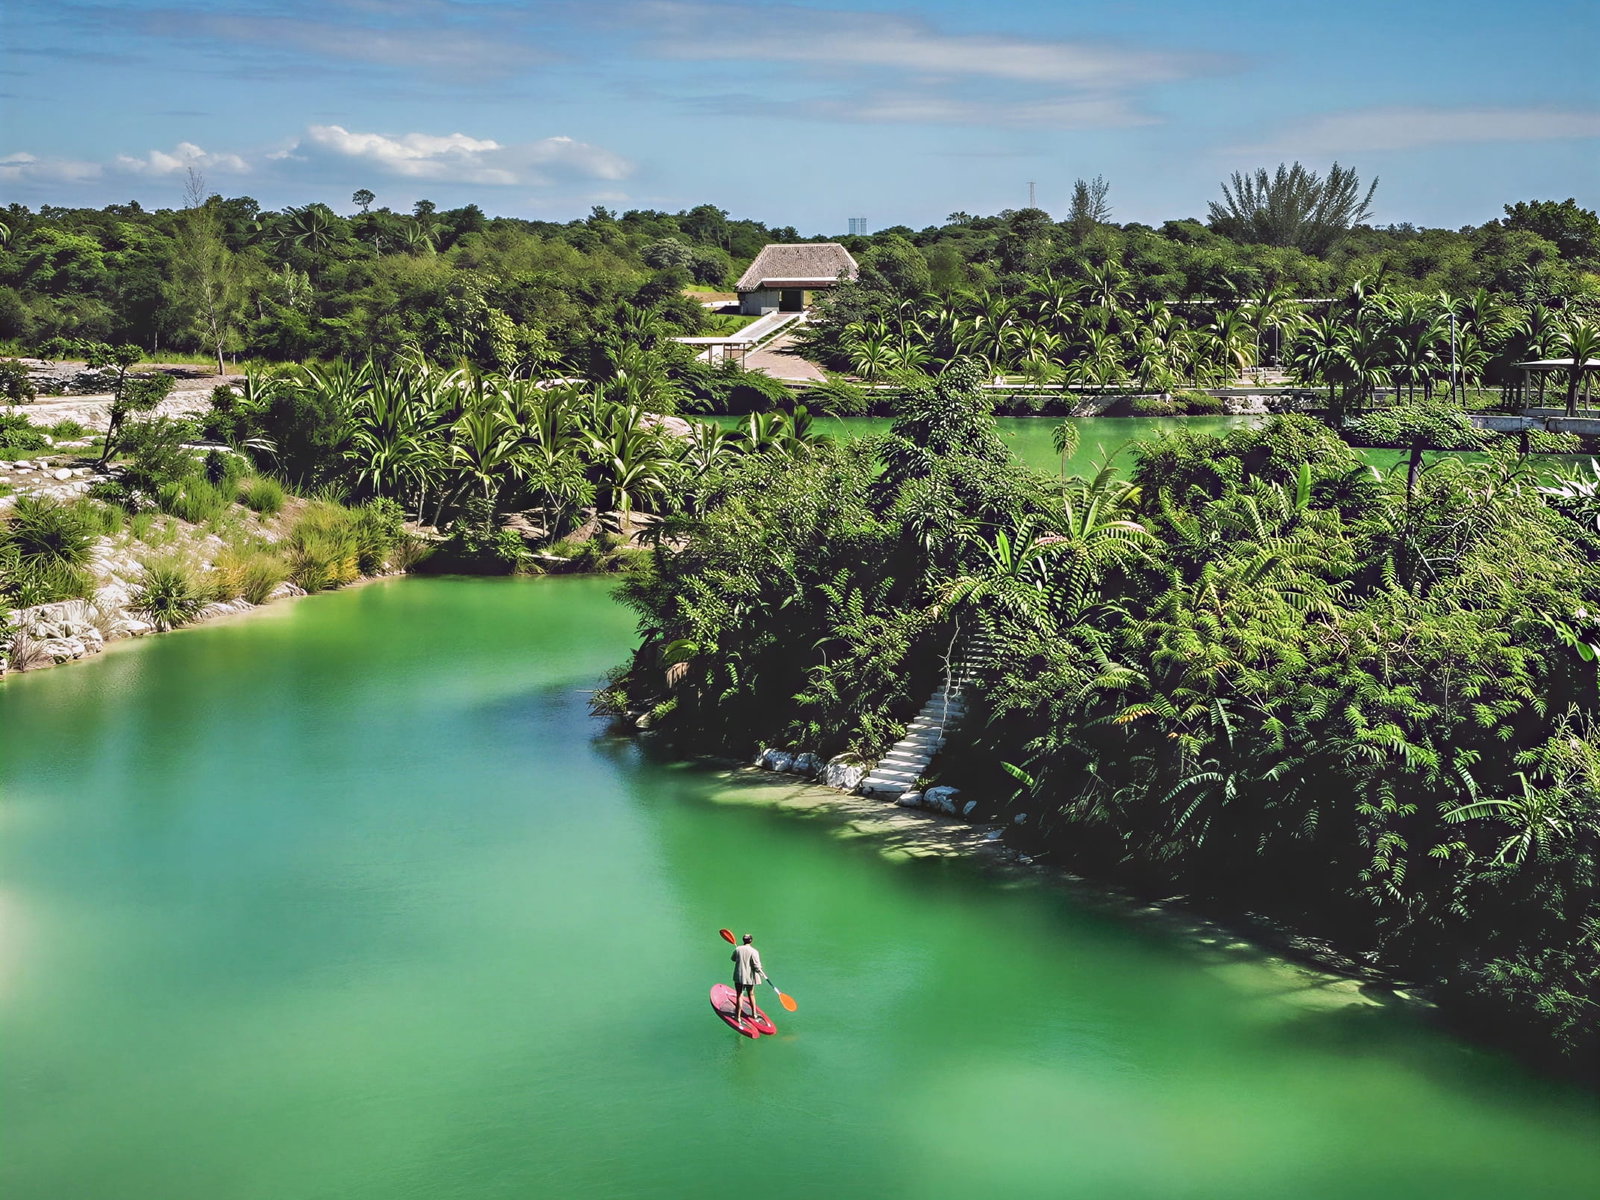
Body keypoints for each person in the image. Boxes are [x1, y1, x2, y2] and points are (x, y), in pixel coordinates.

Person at [730, 933, 765, 1029]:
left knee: (739, 995)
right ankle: (754, 1015)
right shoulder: (754, 951)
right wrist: (761, 971)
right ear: (751, 940)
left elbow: (733, 959)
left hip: (739, 977)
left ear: (743, 940)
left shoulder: (737, 949)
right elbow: (757, 966)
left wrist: (738, 953)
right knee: (751, 994)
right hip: (749, 977)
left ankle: (737, 1017)